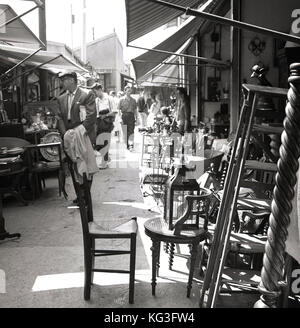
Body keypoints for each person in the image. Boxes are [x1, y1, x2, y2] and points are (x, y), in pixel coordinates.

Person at [55, 71, 97, 203]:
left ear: (72, 80)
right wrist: (65, 135)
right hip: (69, 135)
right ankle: (80, 194)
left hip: (84, 134)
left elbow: (91, 116)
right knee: (74, 165)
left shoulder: (86, 94)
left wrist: (80, 131)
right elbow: (60, 118)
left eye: (64, 79)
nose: (62, 82)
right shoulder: (61, 98)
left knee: (86, 164)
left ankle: (85, 195)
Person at [91, 83, 115, 169]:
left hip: (107, 122)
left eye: (96, 91)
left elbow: (114, 111)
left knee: (105, 142)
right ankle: (106, 157)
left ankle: (104, 162)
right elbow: (96, 113)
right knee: (97, 143)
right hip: (99, 123)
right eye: (94, 92)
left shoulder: (109, 99)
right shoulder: (96, 100)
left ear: (100, 89)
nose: (95, 93)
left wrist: (106, 115)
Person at [117, 85, 137, 151]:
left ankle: (131, 145)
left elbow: (135, 110)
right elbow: (118, 110)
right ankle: (127, 145)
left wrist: (136, 118)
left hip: (131, 116)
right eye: (128, 91)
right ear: (125, 91)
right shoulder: (121, 100)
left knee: (131, 131)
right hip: (124, 116)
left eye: (130, 91)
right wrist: (119, 118)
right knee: (125, 131)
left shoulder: (133, 100)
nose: (129, 92)